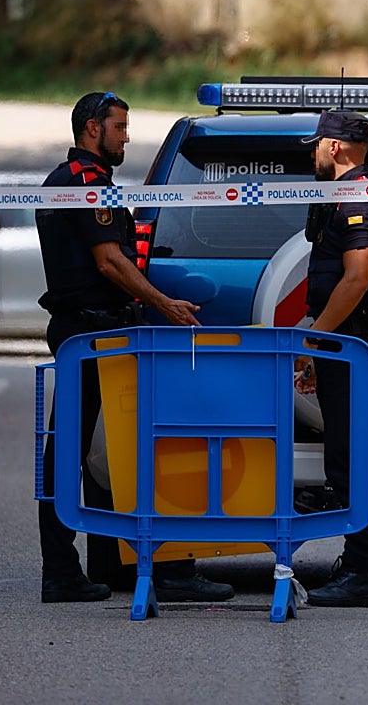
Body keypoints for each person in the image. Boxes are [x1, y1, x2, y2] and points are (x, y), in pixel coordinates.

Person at [36, 91, 234, 604]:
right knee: (98, 450)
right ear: (91, 128)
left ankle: (102, 563)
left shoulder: (72, 181)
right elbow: (109, 261)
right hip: (95, 333)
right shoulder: (86, 184)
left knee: (97, 452)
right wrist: (165, 303)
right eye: (119, 126)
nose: (126, 136)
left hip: (91, 331)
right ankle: (85, 571)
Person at [292, 109, 368, 608]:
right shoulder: (341, 196)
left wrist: (314, 342)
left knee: (349, 461)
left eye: (316, 145)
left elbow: (356, 280)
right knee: (354, 456)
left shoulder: (359, 199)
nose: (311, 153)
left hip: (350, 341)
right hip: (347, 340)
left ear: (334, 147)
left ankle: (360, 574)